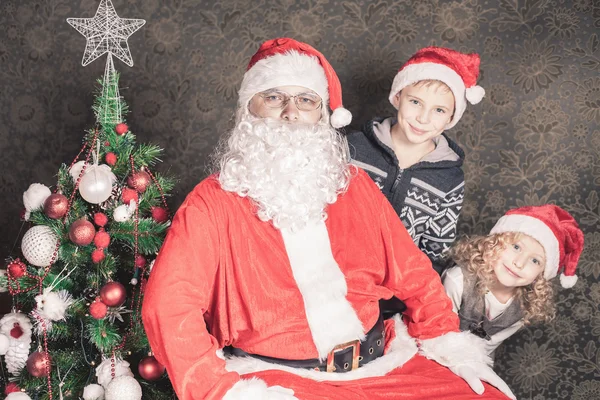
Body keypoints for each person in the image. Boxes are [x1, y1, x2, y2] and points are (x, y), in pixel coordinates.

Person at [142, 38, 515, 400]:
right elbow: (169, 306)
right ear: (248, 109)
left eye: (306, 100)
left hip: (384, 364)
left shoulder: (352, 183)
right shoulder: (212, 202)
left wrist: (446, 342)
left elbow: (414, 273)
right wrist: (219, 389)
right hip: (279, 380)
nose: (291, 112)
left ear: (321, 114)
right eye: (274, 97)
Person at [347, 47, 485, 275]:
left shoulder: (449, 178)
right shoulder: (353, 148)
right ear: (398, 96)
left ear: (451, 118)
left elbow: (435, 251)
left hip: (395, 293)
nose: (423, 118)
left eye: (439, 110)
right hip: (334, 280)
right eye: (415, 102)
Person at [443, 205, 584, 357]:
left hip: (477, 360)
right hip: (436, 350)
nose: (519, 263)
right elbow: (438, 330)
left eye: (535, 261)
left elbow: (488, 346)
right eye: (516, 247)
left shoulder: (524, 307)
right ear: (493, 243)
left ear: (541, 275)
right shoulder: (457, 280)